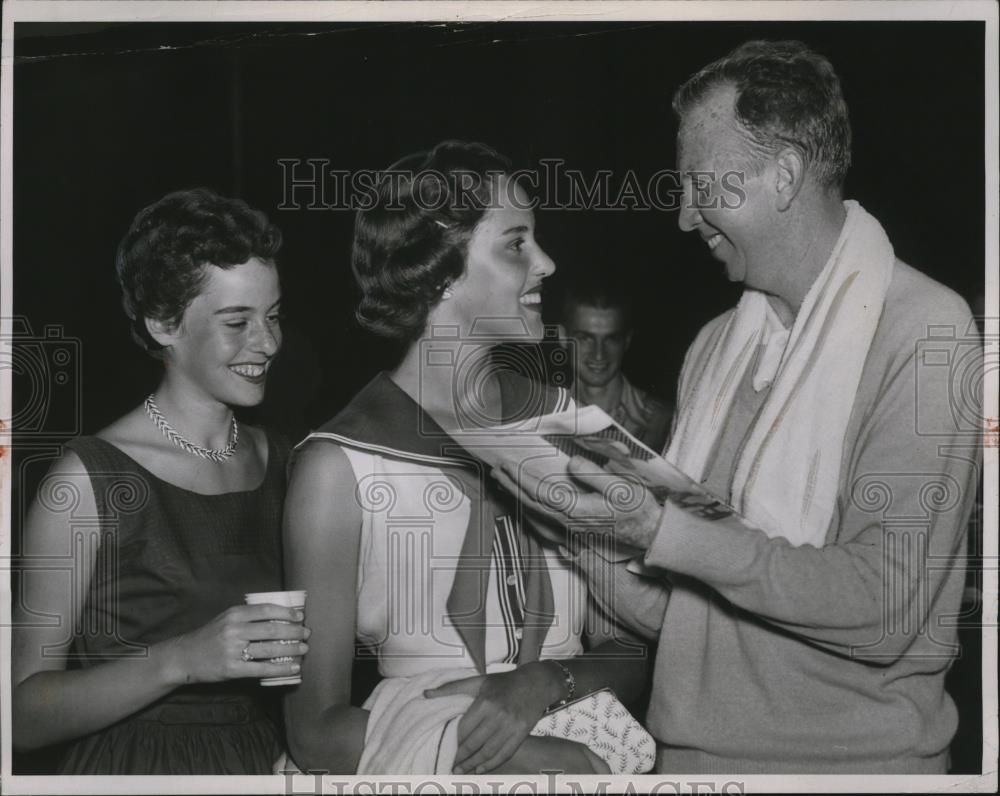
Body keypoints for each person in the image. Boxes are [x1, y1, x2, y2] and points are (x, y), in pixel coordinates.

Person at [495, 41, 981, 773]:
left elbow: (884, 611)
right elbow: (688, 622)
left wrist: (664, 531)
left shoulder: (927, 330)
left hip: (850, 772)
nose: (686, 217)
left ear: (784, 175)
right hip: (691, 761)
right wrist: (579, 528)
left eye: (701, 185)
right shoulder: (716, 346)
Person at [282, 141, 647, 776]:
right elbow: (314, 734)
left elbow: (640, 644)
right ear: (441, 271)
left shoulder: (576, 427)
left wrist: (543, 681)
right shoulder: (336, 468)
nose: (546, 263)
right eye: (516, 243)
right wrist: (510, 756)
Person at [11, 188, 309, 774]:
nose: (268, 343)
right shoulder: (84, 481)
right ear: (163, 323)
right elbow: (20, 718)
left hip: (267, 765)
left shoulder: (290, 461)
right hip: (133, 769)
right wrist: (183, 660)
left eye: (272, 316)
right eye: (237, 321)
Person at [561, 280, 672, 452]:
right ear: (562, 337)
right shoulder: (544, 414)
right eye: (585, 338)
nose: (598, 354)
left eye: (611, 339)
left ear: (627, 340)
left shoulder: (664, 423)